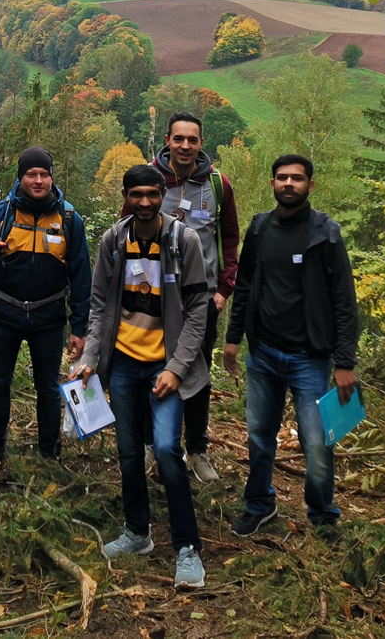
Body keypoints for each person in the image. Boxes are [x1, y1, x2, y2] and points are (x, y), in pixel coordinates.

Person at [73, 165, 209, 590]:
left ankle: (188, 549)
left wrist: (176, 368)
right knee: (129, 451)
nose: (145, 202)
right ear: (126, 196)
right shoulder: (114, 241)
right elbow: (99, 305)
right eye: (137, 195)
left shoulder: (182, 240)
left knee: (167, 449)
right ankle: (137, 531)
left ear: (162, 194)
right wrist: (91, 357)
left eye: (152, 194)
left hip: (164, 366)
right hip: (123, 364)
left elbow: (198, 310)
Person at [222, 155, 358, 538]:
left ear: (310, 185)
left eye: (297, 178)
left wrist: (344, 362)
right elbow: (244, 285)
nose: (288, 183)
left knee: (316, 442)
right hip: (263, 352)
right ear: (272, 183)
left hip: (309, 358)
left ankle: (322, 516)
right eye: (282, 177)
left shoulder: (325, 234)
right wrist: (233, 337)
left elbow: (344, 301)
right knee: (259, 435)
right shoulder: (259, 228)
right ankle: (259, 505)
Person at [0, 147, 90, 480]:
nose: (38, 180)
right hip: (5, 315)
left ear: (52, 177)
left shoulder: (69, 219)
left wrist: (79, 326)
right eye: (31, 174)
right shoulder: (1, 215)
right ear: (20, 177)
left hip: (49, 318)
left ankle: (49, 454)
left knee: (48, 388)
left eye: (44, 174)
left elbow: (81, 276)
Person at [139, 112, 240, 483]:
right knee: (149, 370)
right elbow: (126, 232)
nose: (184, 146)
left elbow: (229, 240)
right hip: (152, 300)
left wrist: (224, 290)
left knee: (198, 376)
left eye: (192, 140)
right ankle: (151, 444)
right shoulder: (148, 178)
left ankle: (197, 451)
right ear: (167, 140)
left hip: (202, 302)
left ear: (201, 143)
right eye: (178, 139)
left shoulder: (218, 185)